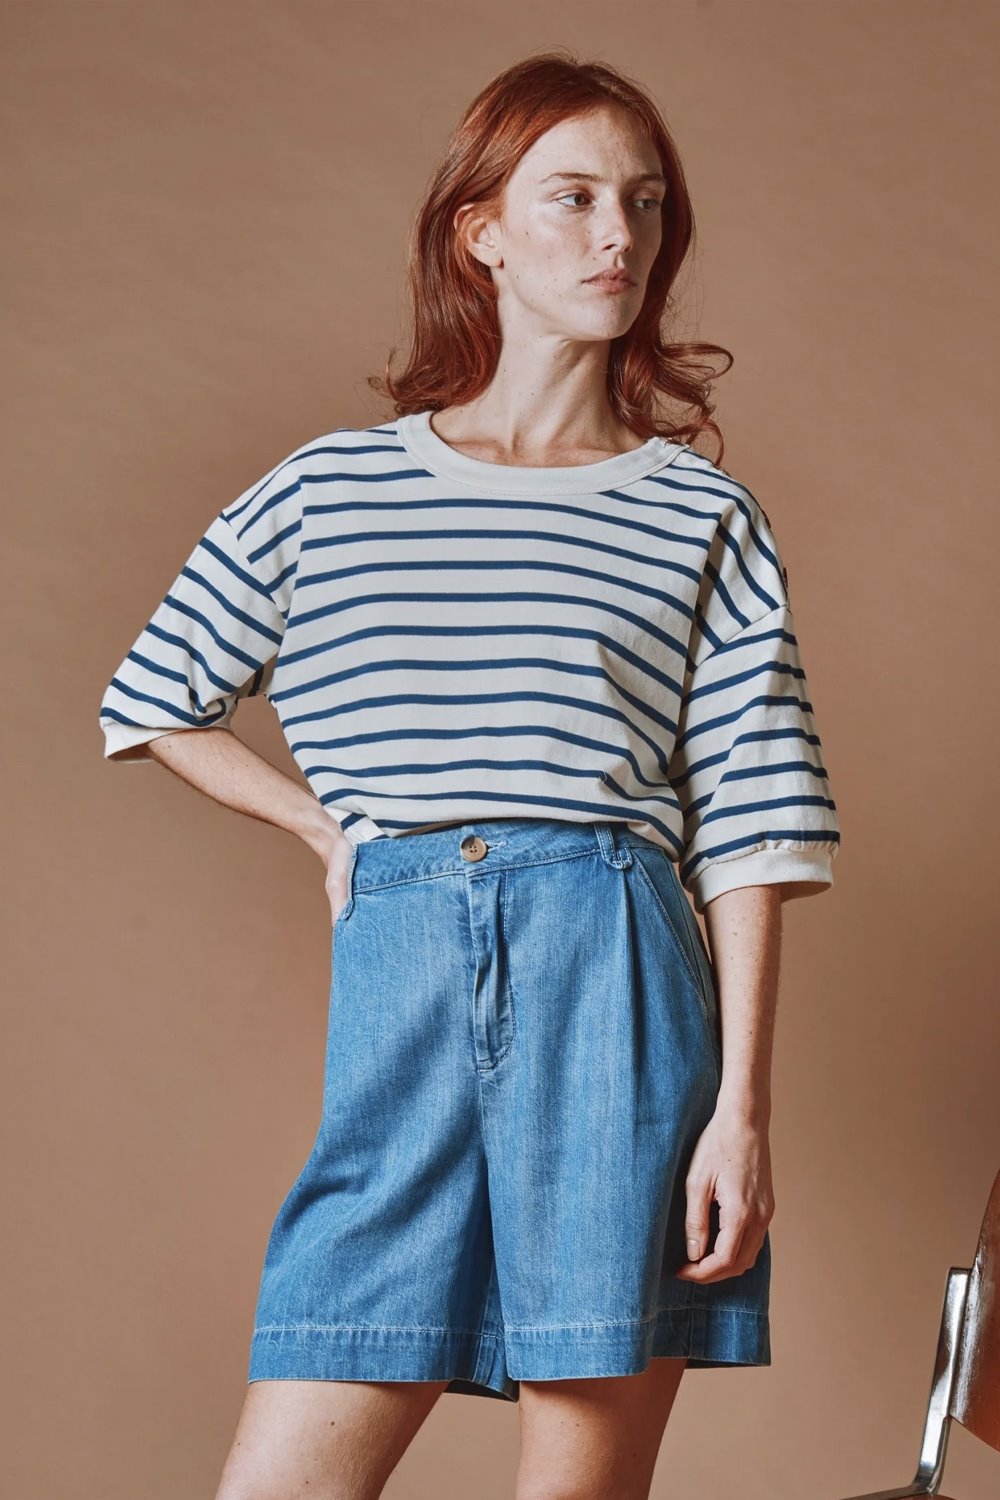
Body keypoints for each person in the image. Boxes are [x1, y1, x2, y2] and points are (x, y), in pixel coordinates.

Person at [98, 50, 840, 1500]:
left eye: (645, 202)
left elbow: (753, 825)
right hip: (406, 977)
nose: (620, 236)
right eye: (574, 198)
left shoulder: (698, 513)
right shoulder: (330, 489)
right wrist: (325, 830)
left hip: (615, 965)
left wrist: (740, 1113)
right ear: (480, 231)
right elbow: (154, 701)